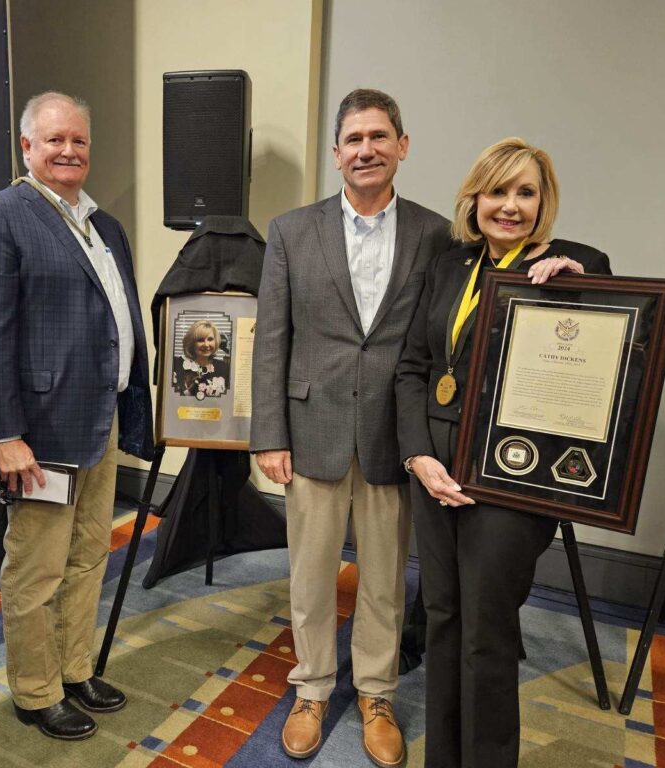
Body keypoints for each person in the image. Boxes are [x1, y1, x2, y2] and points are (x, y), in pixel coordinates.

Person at [251, 88, 452, 767]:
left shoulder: (435, 234)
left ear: (402, 145)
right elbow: (271, 339)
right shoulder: (290, 230)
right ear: (336, 153)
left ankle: (376, 693)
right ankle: (310, 688)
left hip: (394, 433)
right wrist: (268, 434)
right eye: (353, 139)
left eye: (378, 136)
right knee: (309, 575)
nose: (365, 149)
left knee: (386, 578)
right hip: (310, 429)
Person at [395, 137, 611, 768]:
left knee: (487, 632)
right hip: (435, 469)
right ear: (476, 198)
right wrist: (415, 456)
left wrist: (583, 290)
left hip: (513, 478)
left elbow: (612, 349)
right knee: (441, 617)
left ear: (544, 202)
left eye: (525, 192)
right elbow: (414, 367)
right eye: (497, 191)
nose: (509, 206)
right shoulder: (450, 265)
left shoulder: (576, 264)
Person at [0, 92, 154, 741]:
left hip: (98, 423)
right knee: (36, 568)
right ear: (26, 148)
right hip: (38, 436)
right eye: (54, 141)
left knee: (88, 558)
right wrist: (6, 434)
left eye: (78, 141)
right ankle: (36, 689)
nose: (68, 151)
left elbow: (120, 324)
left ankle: (74, 670)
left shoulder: (106, 226)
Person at [174, 320, 229, 399]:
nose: (206, 344)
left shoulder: (223, 367)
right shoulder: (178, 364)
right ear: (191, 343)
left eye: (210, 339)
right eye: (200, 340)